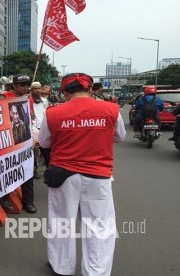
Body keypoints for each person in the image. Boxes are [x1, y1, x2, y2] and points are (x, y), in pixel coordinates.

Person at [38, 72, 126, 276]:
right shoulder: (111, 109)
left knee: (61, 222)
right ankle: (96, 271)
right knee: (98, 226)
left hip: (62, 175)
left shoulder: (53, 113)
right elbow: (120, 137)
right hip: (98, 175)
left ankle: (61, 267)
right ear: (89, 89)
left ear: (64, 92)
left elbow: (43, 143)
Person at [3, 74, 37, 213]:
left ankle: (28, 202)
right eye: (22, 85)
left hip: (24, 139)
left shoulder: (28, 99)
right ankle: (4, 198)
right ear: (14, 86)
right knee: (6, 170)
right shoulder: (4, 97)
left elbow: (31, 116)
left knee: (27, 169)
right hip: (8, 141)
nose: (25, 87)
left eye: (27, 84)